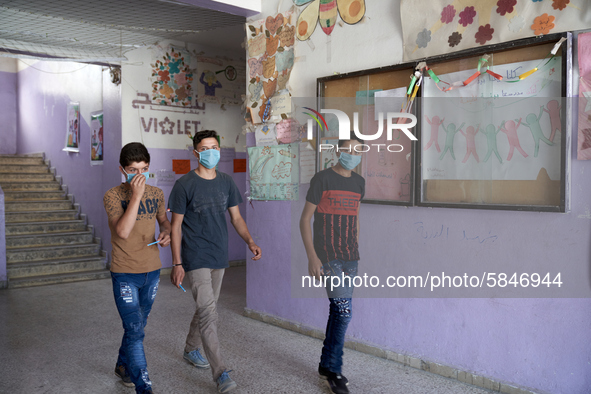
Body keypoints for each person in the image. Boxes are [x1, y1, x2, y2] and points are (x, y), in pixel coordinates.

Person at [168, 130, 262, 393]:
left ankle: (189, 349)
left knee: (205, 307)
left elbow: (237, 218)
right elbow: (175, 227)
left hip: (218, 255)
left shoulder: (226, 182)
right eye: (205, 147)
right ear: (195, 152)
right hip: (195, 255)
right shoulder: (184, 185)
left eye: (215, 147)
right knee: (210, 313)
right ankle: (221, 373)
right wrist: (177, 263)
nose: (211, 152)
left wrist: (250, 241)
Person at [103, 142, 171, 393]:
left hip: (152, 270)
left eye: (143, 169)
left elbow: (165, 222)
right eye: (132, 170)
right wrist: (136, 196)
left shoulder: (157, 194)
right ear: (122, 169)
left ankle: (122, 366)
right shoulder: (112, 195)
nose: (138, 175)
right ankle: (144, 388)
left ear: (148, 167)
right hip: (124, 273)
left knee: (137, 326)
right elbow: (121, 231)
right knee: (134, 330)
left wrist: (166, 233)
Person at [300, 134, 365, 394]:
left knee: (338, 310)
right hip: (327, 254)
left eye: (358, 150)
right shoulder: (322, 178)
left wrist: (356, 245)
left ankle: (326, 364)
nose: (353, 154)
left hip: (351, 256)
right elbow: (305, 220)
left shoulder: (359, 183)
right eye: (348, 150)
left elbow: (356, 217)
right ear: (338, 152)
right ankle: (335, 371)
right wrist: (312, 257)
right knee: (344, 310)